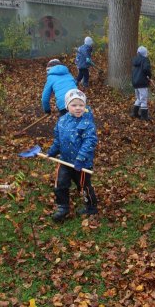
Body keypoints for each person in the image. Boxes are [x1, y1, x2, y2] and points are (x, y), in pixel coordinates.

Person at [46, 89, 98, 222]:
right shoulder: (62, 121)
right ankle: (63, 207)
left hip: (82, 163)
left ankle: (91, 206)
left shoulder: (87, 123)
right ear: (67, 106)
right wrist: (52, 151)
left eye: (81, 105)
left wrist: (80, 158)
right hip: (64, 161)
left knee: (84, 186)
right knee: (60, 184)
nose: (78, 108)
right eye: (74, 105)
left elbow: (90, 142)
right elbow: (58, 139)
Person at [131, 46, 152, 121]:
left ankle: (135, 113)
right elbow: (146, 69)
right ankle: (144, 116)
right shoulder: (145, 60)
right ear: (145, 53)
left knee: (138, 98)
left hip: (135, 82)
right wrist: (149, 76)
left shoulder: (135, 60)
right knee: (143, 99)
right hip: (142, 82)